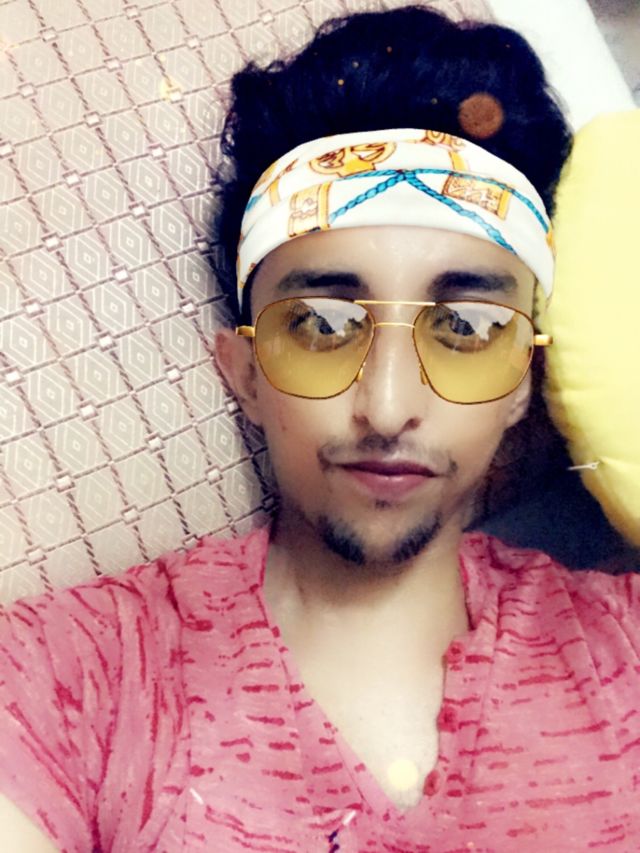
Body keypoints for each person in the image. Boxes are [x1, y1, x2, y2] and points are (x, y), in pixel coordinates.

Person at [1, 5, 638, 852]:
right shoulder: (72, 678)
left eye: (467, 328)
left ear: (525, 378)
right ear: (243, 371)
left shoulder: (624, 649)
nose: (387, 406)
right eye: (323, 325)